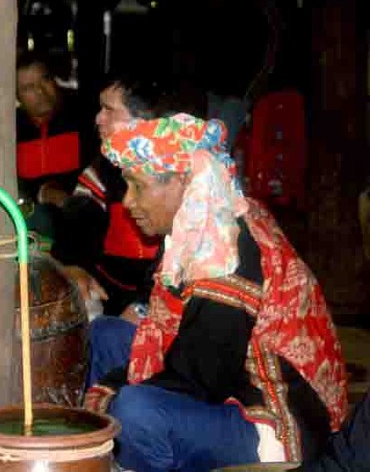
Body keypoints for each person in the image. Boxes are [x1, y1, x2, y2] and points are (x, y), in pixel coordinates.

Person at [83, 113, 347, 471]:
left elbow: (197, 375)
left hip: (271, 417)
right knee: (105, 333)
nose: (128, 201)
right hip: (226, 381)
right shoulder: (201, 223)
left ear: (181, 181)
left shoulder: (226, 252)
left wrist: (105, 394)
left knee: (134, 412)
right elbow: (177, 340)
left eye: (138, 186)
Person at [51, 77, 163, 322]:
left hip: (162, 299)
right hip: (110, 293)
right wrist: (74, 266)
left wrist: (143, 306)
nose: (98, 118)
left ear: (143, 120)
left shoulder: (175, 177)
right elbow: (78, 224)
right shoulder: (101, 172)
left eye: (109, 110)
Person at [15, 51, 84, 237]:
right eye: (29, 88)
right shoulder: (12, 130)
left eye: (44, 80)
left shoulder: (81, 119)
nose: (40, 92)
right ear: (17, 97)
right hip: (33, 222)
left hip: (79, 218)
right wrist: (43, 192)